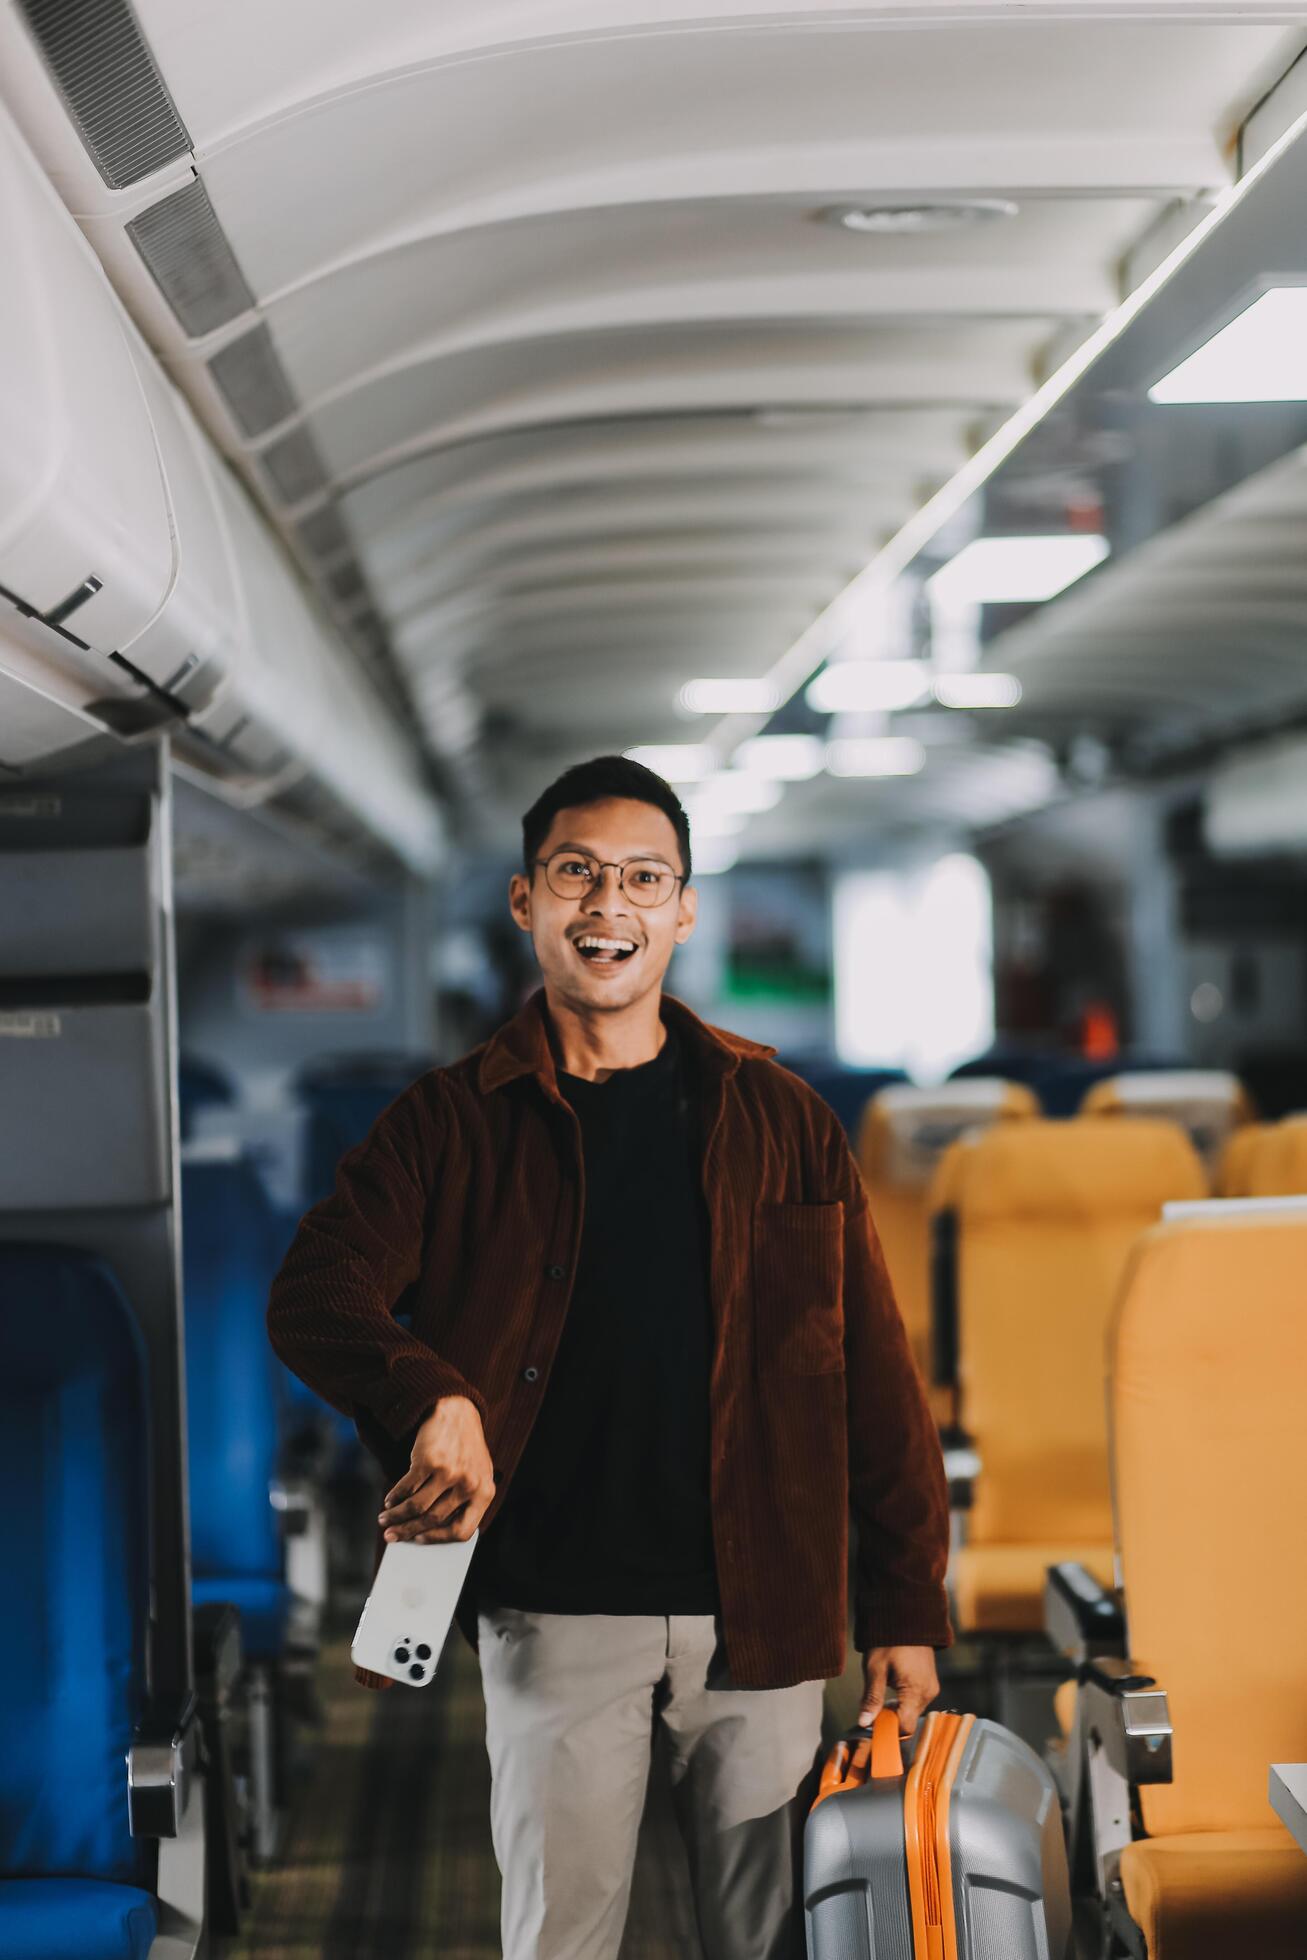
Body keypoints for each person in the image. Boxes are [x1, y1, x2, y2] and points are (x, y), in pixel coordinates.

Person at [266, 754, 951, 1960]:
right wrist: (429, 1391)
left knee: (772, 1939)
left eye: (643, 877)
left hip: (763, 1613)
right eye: (576, 873)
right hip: (552, 1606)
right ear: (526, 900)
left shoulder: (779, 1117)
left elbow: (874, 1385)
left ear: (684, 909)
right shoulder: (448, 1121)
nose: (608, 905)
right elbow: (314, 1295)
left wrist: (903, 1603)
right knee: (562, 1940)